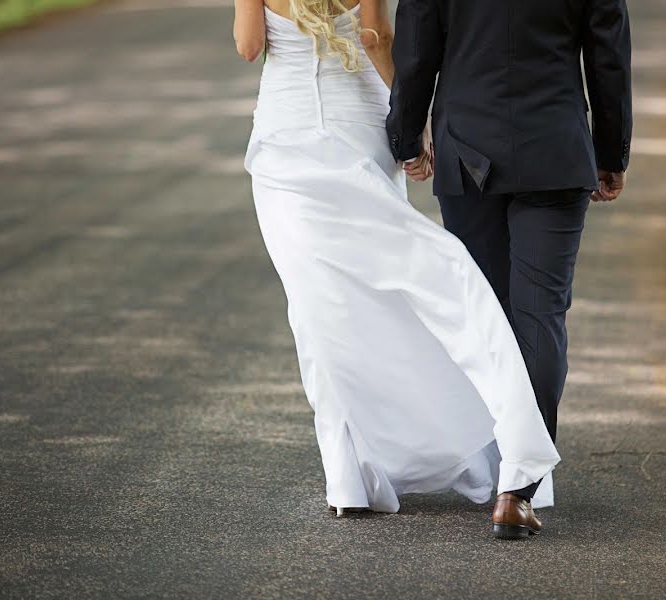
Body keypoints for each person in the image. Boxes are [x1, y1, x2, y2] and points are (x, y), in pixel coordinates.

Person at [234, 0, 560, 540]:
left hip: (286, 142)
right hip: (360, 127)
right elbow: (377, 38)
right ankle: (501, 440)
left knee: (316, 308)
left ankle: (350, 482)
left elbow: (249, 47)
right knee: (410, 279)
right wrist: (413, 126)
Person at [386, 0, 632, 536]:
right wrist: (612, 152)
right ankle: (518, 489)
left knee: (488, 319)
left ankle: (504, 468)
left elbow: (416, 42)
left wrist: (406, 136)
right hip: (555, 149)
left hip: (469, 150)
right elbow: (607, 54)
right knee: (540, 313)